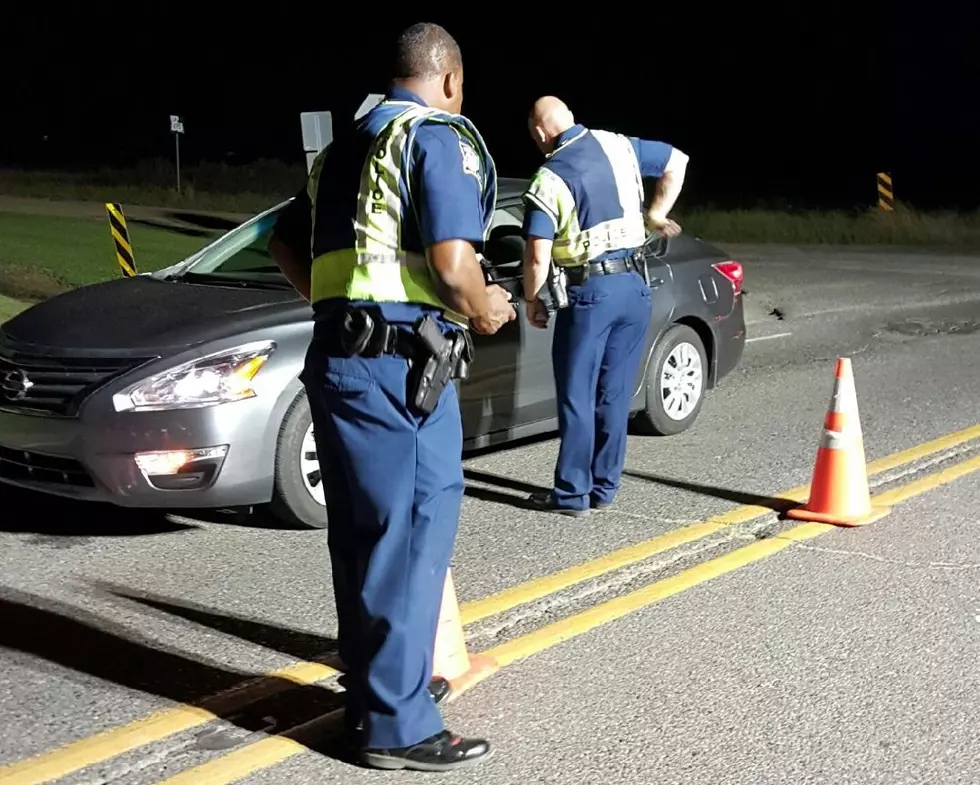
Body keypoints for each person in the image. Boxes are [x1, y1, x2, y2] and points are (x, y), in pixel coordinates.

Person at [267, 22, 515, 772]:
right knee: (411, 538)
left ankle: (382, 689)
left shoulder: (345, 147)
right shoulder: (437, 136)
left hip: (340, 364)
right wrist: (486, 307)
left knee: (365, 541)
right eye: (460, 87)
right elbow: (451, 261)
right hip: (401, 376)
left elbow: (285, 241)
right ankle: (398, 724)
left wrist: (341, 309)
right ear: (447, 80)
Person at [520, 96, 689, 516]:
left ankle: (572, 494)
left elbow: (537, 256)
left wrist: (532, 299)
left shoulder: (549, 177)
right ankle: (604, 488)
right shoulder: (619, 145)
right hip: (634, 286)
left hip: (590, 295)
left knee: (577, 395)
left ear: (541, 133)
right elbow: (678, 161)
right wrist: (656, 212)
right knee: (613, 396)